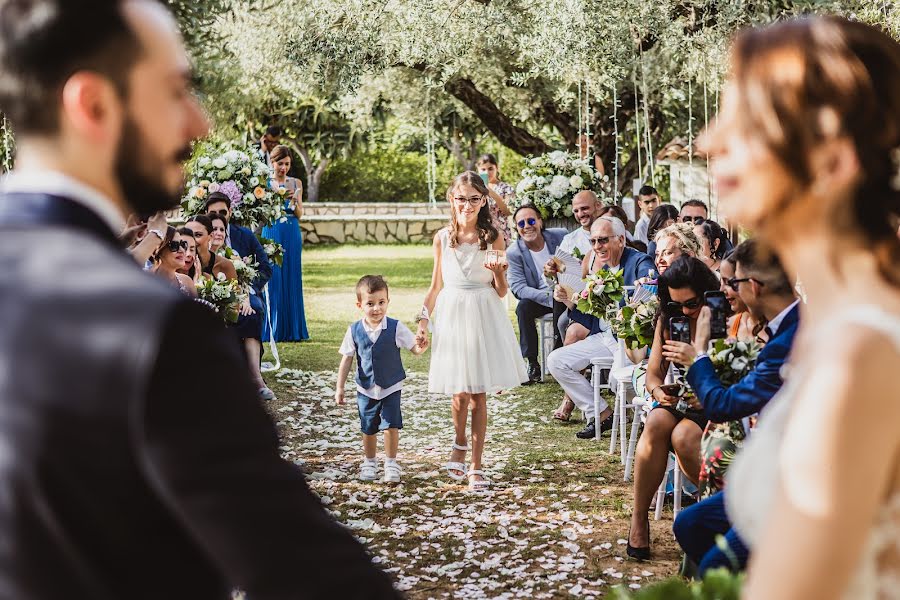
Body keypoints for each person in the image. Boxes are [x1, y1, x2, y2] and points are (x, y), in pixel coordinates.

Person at [0, 1, 399, 597]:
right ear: (94, 104)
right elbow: (303, 570)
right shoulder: (154, 330)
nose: (199, 122)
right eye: (175, 91)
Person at [704, 16, 900, 599]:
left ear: (832, 162)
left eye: (743, 123)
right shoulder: (840, 324)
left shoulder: (858, 354)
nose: (709, 142)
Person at [666, 240, 799, 576]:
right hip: (769, 466)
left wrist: (698, 357)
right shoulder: (780, 328)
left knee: (713, 565)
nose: (726, 290)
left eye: (732, 283)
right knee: (689, 523)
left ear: (753, 286)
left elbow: (721, 406)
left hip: (790, 485)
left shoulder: (790, 339)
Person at [416, 171, 527, 491]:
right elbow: (435, 286)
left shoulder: (492, 237)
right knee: (459, 393)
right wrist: (423, 321)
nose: (467, 205)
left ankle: (476, 465)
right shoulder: (441, 238)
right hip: (452, 313)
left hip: (483, 312)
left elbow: (502, 291)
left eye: (474, 199)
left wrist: (500, 273)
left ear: (484, 202)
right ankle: (459, 441)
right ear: (451, 199)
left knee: (478, 393)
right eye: (461, 198)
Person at [626, 256, 718, 561]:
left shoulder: (721, 318)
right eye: (676, 304)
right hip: (679, 398)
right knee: (656, 422)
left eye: (691, 303)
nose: (685, 311)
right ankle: (639, 519)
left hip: (714, 401)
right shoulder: (669, 318)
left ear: (706, 292)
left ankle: (715, 513)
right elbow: (653, 372)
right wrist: (657, 390)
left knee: (682, 437)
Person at [547, 216, 654, 437]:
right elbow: (588, 313)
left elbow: (651, 287)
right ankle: (600, 412)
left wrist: (642, 287)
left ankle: (648, 415)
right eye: (594, 241)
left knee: (617, 380)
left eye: (603, 240)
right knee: (556, 360)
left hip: (627, 339)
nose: (597, 247)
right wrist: (567, 298)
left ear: (621, 240)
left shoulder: (639, 261)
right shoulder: (599, 265)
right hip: (604, 336)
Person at [335, 276, 428, 484]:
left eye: (381, 302)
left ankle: (391, 462)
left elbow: (415, 349)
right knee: (368, 427)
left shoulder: (396, 327)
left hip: (391, 386)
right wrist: (340, 387)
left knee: (391, 425)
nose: (376, 308)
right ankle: (369, 461)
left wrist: (422, 345)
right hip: (365, 388)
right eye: (370, 304)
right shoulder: (354, 330)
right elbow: (347, 359)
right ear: (359, 305)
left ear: (388, 301)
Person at [205, 192, 275, 400]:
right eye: (213, 213)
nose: (218, 217)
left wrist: (248, 289)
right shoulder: (198, 235)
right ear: (205, 213)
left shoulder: (244, 235)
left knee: (253, 308)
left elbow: (265, 268)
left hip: (246, 290)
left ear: (230, 212)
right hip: (208, 289)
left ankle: (254, 374)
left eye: (222, 213)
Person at [506, 204, 567, 384]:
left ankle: (559, 354)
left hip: (566, 291)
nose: (527, 226)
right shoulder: (514, 252)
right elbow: (518, 287)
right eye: (521, 223)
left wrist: (560, 291)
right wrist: (548, 296)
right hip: (539, 296)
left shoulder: (561, 236)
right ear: (517, 228)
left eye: (531, 220)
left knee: (560, 298)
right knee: (523, 307)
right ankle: (532, 362)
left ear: (540, 222)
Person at [261, 144, 309, 342]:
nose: (284, 168)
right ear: (272, 162)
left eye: (287, 164)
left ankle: (292, 328)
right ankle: (272, 328)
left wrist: (296, 201)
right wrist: (275, 197)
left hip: (292, 231)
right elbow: (261, 214)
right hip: (272, 230)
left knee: (291, 275)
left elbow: (300, 213)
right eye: (280, 163)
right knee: (273, 277)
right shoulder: (263, 183)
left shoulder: (296, 182)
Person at [475, 153, 513, 246]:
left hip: (501, 232)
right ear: (478, 170)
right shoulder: (475, 189)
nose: (487, 172)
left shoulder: (506, 188)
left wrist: (490, 191)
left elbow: (508, 211)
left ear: (497, 168)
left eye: (490, 168)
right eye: (483, 169)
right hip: (481, 233)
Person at [184, 214, 237, 280]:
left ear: (211, 236)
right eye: (188, 235)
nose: (192, 240)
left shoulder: (225, 265)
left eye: (198, 235)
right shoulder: (178, 264)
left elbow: (235, 289)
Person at [149, 226, 196, 297]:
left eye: (183, 244)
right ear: (158, 250)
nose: (182, 250)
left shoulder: (187, 282)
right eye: (174, 245)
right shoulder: (144, 281)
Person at [558, 190, 603, 257]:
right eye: (576, 211)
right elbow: (558, 265)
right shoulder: (569, 240)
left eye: (584, 208)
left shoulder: (613, 233)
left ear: (598, 205)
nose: (580, 214)